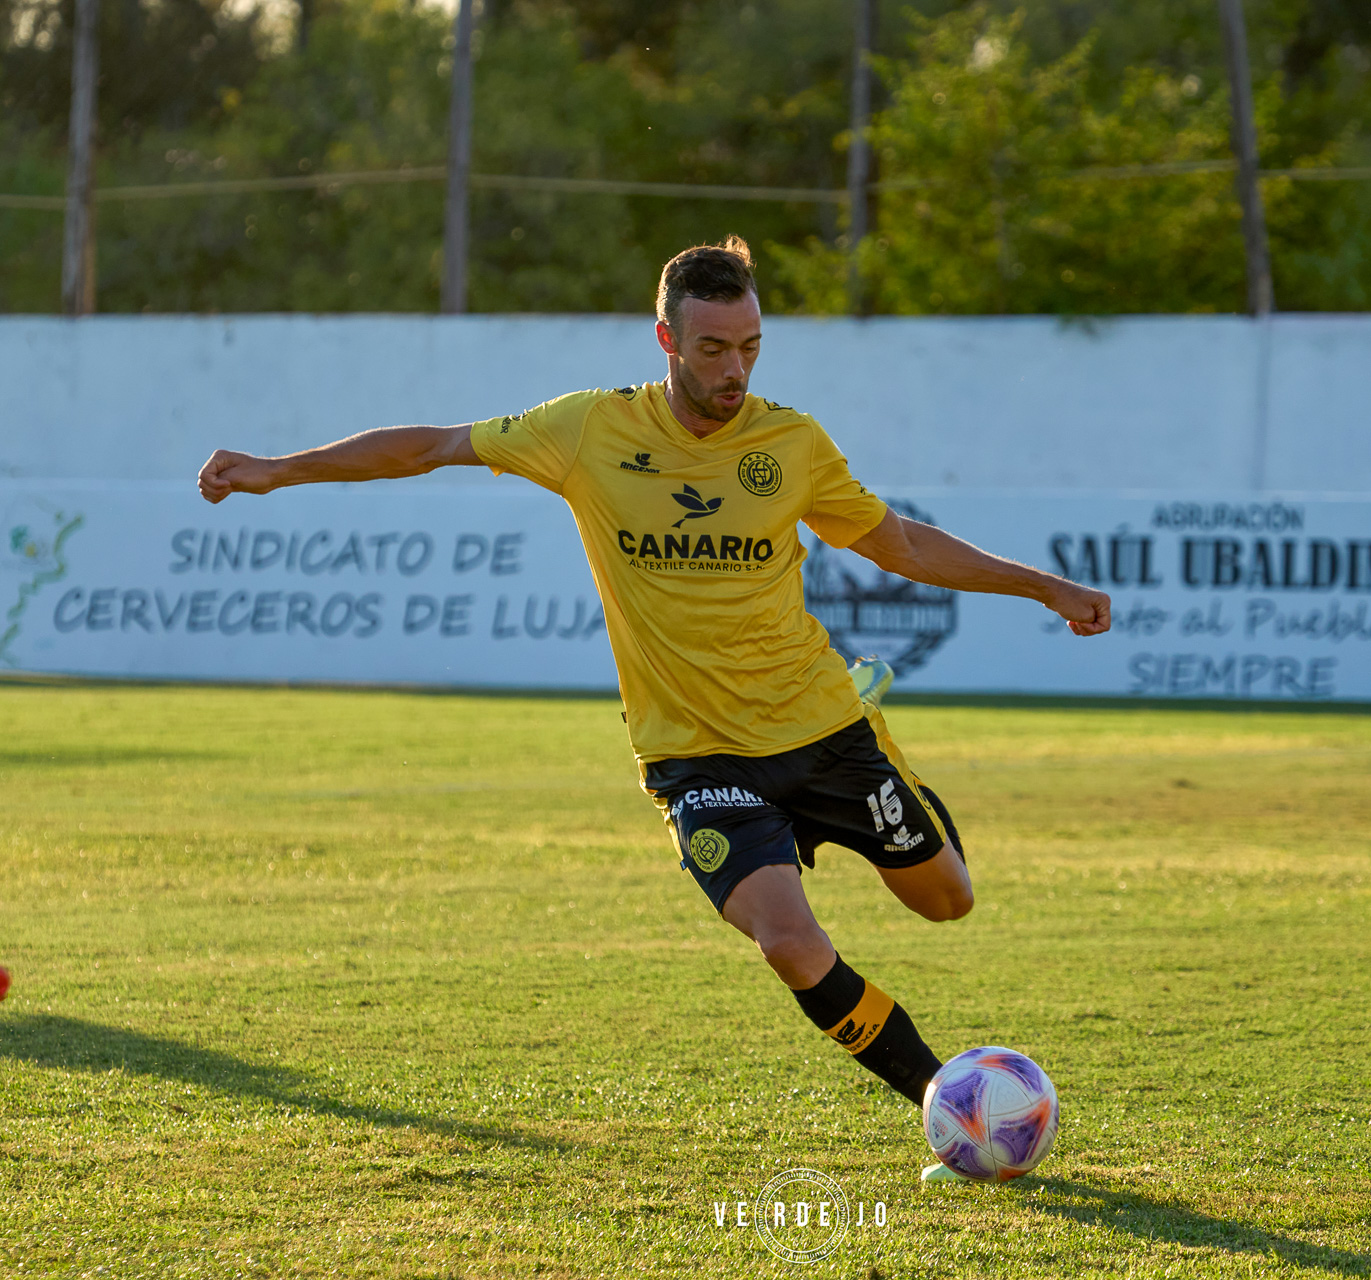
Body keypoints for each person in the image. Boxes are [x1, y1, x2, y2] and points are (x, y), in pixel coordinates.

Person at [198, 236, 1111, 1179]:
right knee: (793, 948)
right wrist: (277, 469)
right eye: (714, 348)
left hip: (824, 731)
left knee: (947, 902)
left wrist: (1045, 588)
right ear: (667, 340)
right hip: (697, 760)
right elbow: (430, 446)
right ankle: (944, 1106)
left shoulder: (790, 443)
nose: (735, 369)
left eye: (751, 345)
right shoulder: (588, 429)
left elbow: (903, 547)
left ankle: (895, 770)